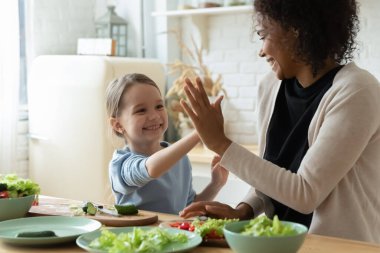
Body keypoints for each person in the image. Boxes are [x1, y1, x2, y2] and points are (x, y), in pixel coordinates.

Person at [179, 0, 380, 244]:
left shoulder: (357, 91)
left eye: (263, 35)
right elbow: (273, 173)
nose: (261, 51)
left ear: (296, 30)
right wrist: (244, 210)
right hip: (281, 244)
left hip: (339, 247)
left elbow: (305, 193)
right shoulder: (270, 87)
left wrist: (221, 144)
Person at [105, 73, 229, 214]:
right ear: (118, 125)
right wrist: (200, 132)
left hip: (172, 235)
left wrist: (216, 184)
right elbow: (151, 168)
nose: (154, 116)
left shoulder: (181, 159)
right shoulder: (121, 164)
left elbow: (188, 209)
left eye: (159, 106)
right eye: (141, 110)